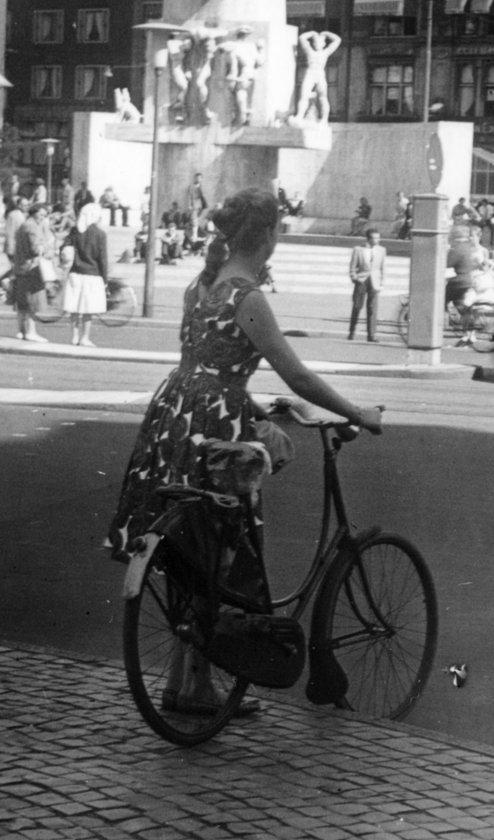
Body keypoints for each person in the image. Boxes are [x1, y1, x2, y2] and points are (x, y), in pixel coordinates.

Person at [109, 187, 382, 576]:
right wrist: (358, 414)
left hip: (174, 414)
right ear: (268, 234)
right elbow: (297, 376)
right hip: (216, 423)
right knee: (228, 543)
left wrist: (256, 411)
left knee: (190, 541)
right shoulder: (246, 298)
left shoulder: (201, 285)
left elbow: (210, 365)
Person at [61, 198, 109, 348]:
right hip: (93, 275)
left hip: (75, 273)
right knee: (89, 309)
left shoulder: (76, 231)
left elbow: (64, 247)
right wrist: (105, 279)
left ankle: (74, 337)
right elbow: (103, 259)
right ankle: (85, 338)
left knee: (74, 307)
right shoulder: (100, 234)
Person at [11, 199, 56, 344]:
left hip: (21, 268)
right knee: (32, 301)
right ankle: (31, 332)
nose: (43, 218)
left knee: (22, 303)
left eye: (45, 215)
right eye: (41, 215)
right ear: (34, 213)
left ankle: (21, 331)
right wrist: (47, 247)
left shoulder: (25, 225)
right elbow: (35, 249)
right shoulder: (32, 227)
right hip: (31, 269)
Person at [349, 229, 386, 343]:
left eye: (378, 237)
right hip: (361, 280)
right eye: (375, 238)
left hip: (374, 281)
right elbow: (353, 265)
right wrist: (354, 277)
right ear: (369, 239)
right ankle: (352, 331)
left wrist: (382, 282)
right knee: (357, 306)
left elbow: (382, 267)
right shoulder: (358, 249)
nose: (377, 240)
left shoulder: (382, 250)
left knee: (372, 309)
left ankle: (371, 335)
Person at [0, 196, 27, 295]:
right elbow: (10, 232)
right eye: (24, 205)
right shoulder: (13, 215)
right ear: (19, 205)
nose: (26, 207)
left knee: (17, 268)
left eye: (27, 205)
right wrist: (10, 247)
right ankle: (1, 284)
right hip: (13, 247)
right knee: (18, 268)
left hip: (20, 247)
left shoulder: (22, 215)